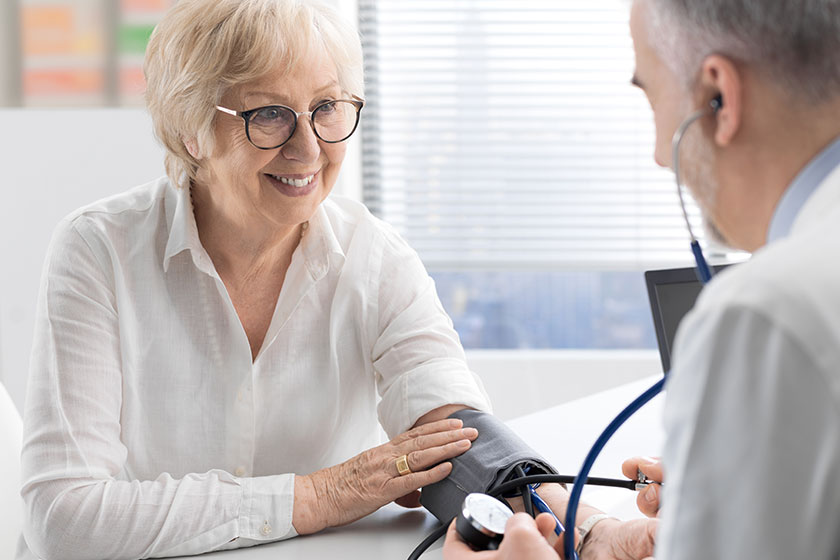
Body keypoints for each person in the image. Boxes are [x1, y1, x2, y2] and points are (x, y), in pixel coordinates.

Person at [17, 1, 657, 559]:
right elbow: (64, 518)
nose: (309, 148)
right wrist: (322, 494)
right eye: (269, 114)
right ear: (190, 128)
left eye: (326, 107)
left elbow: (458, 438)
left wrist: (590, 530)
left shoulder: (375, 257)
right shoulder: (97, 251)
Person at [444, 0, 840, 558]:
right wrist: (743, 496)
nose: (659, 156)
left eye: (650, 93)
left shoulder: (763, 314)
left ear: (716, 96)